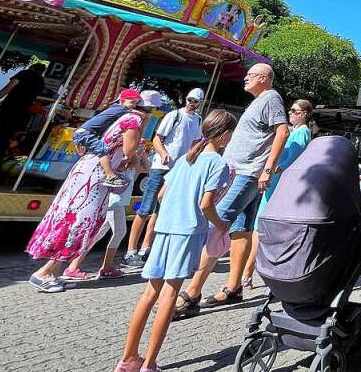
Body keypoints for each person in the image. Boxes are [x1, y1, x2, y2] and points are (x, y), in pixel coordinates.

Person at [114, 109, 237, 372]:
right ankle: (150, 363)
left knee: (149, 293)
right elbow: (206, 205)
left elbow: (160, 195)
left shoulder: (185, 159)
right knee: (169, 294)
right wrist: (221, 224)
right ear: (225, 135)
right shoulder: (218, 163)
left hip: (165, 228)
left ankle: (128, 359)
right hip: (188, 231)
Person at [173, 63, 289, 318]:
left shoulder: (271, 98)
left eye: (250, 75)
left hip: (247, 173)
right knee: (240, 230)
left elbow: (282, 131)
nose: (245, 78)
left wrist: (267, 169)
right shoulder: (261, 101)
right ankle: (234, 286)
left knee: (217, 226)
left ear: (263, 78)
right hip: (245, 172)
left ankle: (192, 293)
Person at [25, 90, 161, 292]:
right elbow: (128, 153)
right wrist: (137, 154)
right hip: (94, 176)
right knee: (79, 222)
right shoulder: (132, 121)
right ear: (150, 110)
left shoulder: (124, 117)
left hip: (93, 172)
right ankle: (43, 273)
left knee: (81, 222)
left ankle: (54, 272)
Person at [122, 88, 206, 268]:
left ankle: (146, 248)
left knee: (160, 211)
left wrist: (191, 160)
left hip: (177, 171)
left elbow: (193, 143)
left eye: (196, 101)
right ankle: (130, 251)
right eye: (190, 99)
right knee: (145, 208)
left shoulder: (198, 120)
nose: (192, 103)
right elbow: (158, 138)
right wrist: (163, 153)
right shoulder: (174, 115)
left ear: (200, 103)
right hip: (161, 167)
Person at [241, 99, 315, 288]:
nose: (290, 113)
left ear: (305, 114)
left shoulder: (302, 132)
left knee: (259, 226)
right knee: (258, 226)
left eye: (295, 111)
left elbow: (291, 160)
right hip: (276, 182)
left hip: (277, 183)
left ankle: (247, 273)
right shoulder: (296, 132)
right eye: (290, 110)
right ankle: (248, 271)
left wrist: (272, 170)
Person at [63, 143, 151, 280]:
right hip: (113, 199)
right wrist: (133, 153)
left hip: (118, 199)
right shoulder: (119, 155)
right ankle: (103, 267)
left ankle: (77, 267)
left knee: (97, 234)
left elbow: (146, 168)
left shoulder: (131, 153)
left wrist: (142, 153)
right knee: (119, 231)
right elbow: (126, 165)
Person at [73, 88, 147, 189]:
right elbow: (134, 112)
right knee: (103, 150)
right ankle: (110, 175)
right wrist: (143, 116)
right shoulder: (121, 109)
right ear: (122, 100)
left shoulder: (116, 110)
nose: (134, 105)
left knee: (97, 149)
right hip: (86, 133)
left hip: (85, 133)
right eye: (132, 102)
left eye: (136, 103)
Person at [0, 62, 46, 155]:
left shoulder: (25, 73)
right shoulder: (41, 81)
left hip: (9, 107)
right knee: (6, 136)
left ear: (32, 67)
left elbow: (8, 88)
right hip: (23, 112)